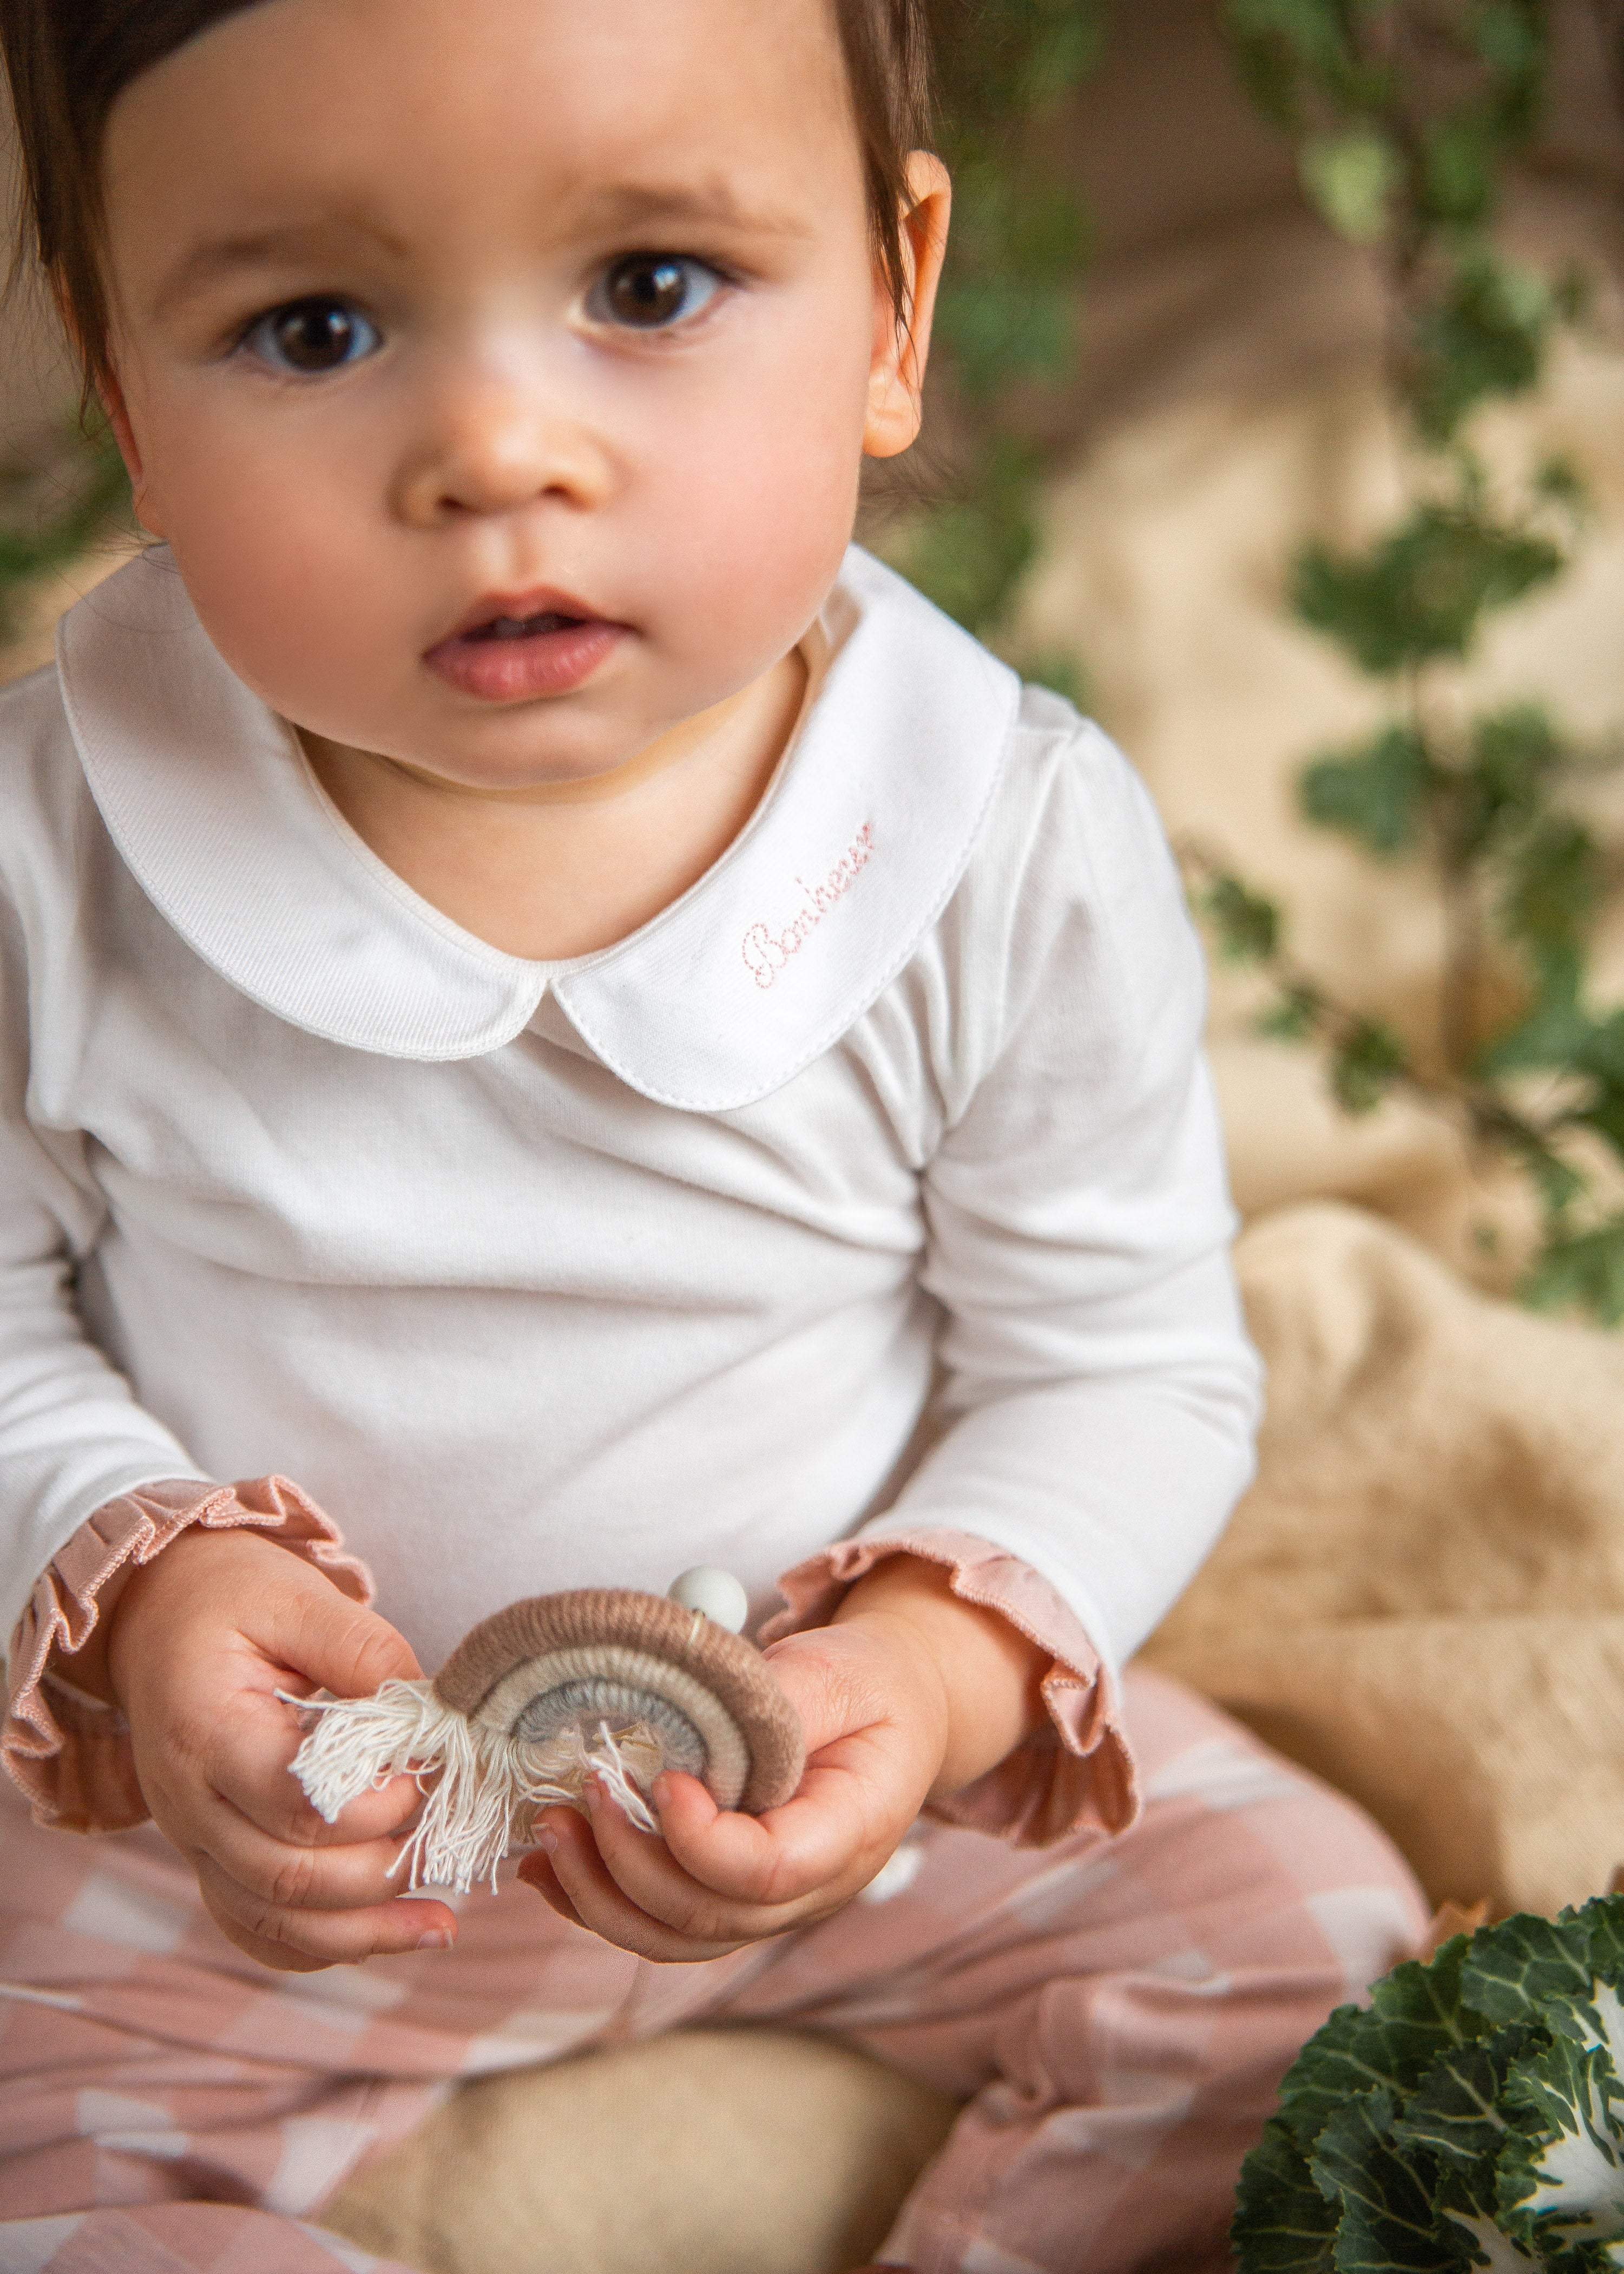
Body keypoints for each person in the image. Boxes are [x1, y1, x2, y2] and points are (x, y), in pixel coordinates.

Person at [0, 2, 1428, 2268]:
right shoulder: (56, 841)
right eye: (313, 324)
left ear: (893, 301)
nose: (493, 446)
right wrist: (150, 1570)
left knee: (1312, 1951)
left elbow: (1122, 1358)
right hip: (246, 1855)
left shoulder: (993, 833)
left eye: (649, 286)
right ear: (121, 390)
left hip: (819, 1782)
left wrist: (925, 1682)